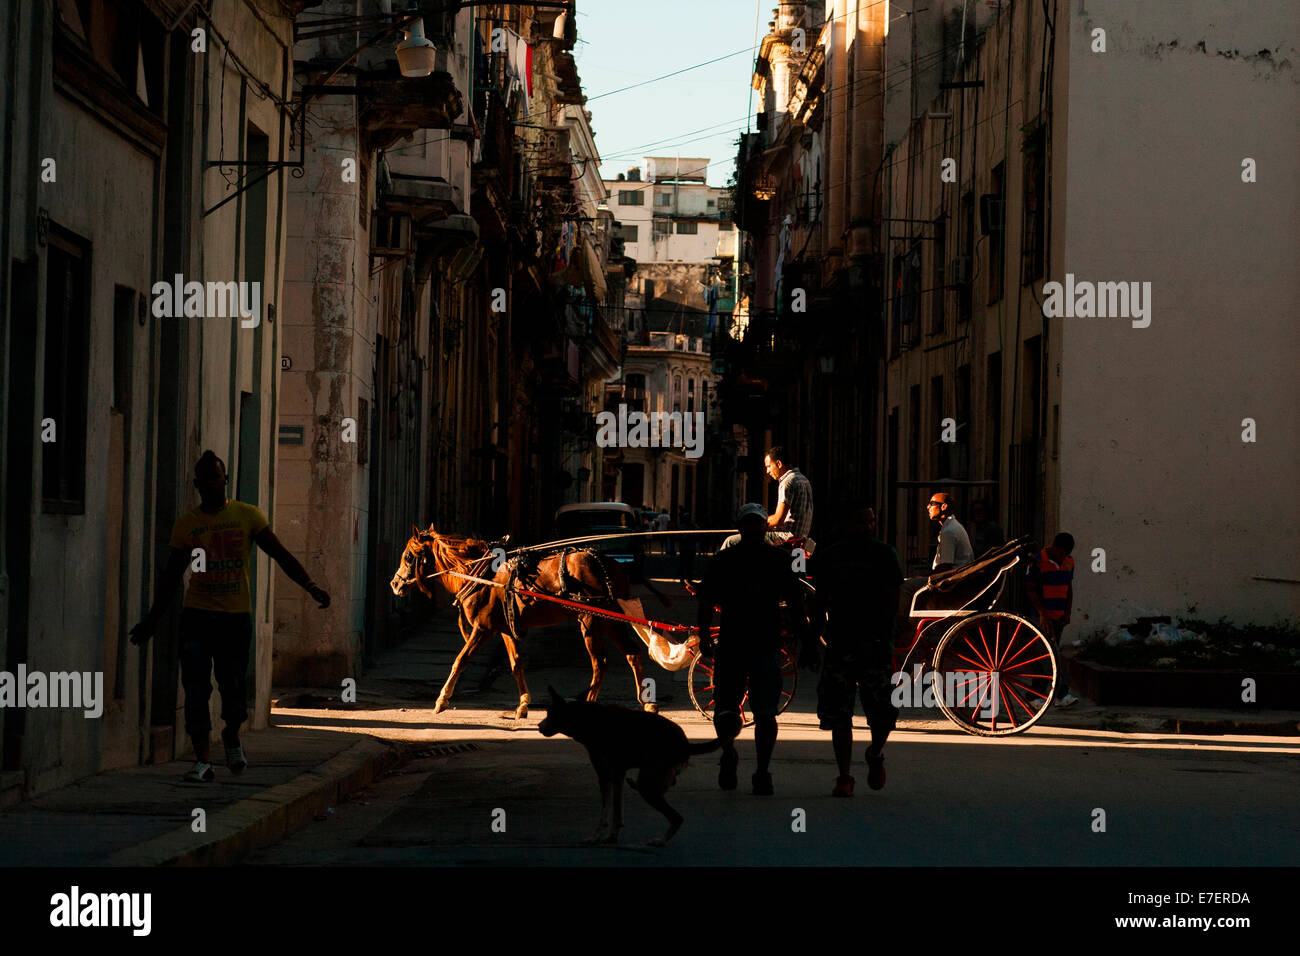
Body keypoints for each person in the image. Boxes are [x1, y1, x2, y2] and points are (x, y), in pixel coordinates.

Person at [130, 451, 330, 782]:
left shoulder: (247, 516)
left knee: (233, 688)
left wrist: (310, 586)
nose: (211, 484)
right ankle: (203, 761)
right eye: (205, 479)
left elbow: (281, 555)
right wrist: (152, 621)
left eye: (216, 477)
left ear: (226, 480)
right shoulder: (187, 526)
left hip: (234, 620)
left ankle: (232, 734)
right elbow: (170, 579)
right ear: (196, 485)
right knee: (195, 688)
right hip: (196, 618)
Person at [695, 503, 810, 796]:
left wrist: (706, 635)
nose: (756, 529)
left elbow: (705, 599)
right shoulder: (777, 559)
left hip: (739, 643)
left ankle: (736, 756)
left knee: (732, 708)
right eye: (754, 524)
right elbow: (796, 603)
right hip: (760, 644)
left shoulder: (725, 559)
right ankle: (759, 771)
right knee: (760, 712)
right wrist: (805, 640)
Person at [809, 505, 903, 796]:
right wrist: (812, 641)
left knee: (885, 712)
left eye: (871, 520)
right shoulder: (830, 556)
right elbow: (818, 603)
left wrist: (891, 641)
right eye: (861, 521)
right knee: (839, 715)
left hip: (875, 644)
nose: (867, 526)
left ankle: (875, 752)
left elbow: (894, 602)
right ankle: (844, 776)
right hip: (841, 643)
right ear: (847, 524)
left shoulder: (885, 554)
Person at [720, 447, 816, 554]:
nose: (767, 471)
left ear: (778, 464)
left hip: (785, 538)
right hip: (800, 539)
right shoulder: (803, 479)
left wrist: (756, 525)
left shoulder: (788, 481)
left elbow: (778, 519)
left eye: (769, 466)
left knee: (730, 541)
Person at [1026, 532, 1079, 708]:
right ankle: (1061, 693)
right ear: (1055, 547)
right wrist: (1042, 613)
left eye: (1067, 553)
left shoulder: (1069, 561)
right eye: (1062, 552)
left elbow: (1068, 587)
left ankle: (1034, 695)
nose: (1064, 556)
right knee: (1050, 655)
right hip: (1042, 617)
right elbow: (1031, 589)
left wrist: (1068, 612)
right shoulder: (1037, 561)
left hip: (1058, 616)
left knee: (1045, 656)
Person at [927, 492, 974, 572]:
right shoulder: (953, 525)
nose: (928, 507)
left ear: (944, 506)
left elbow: (945, 566)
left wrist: (928, 577)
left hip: (954, 581)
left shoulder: (949, 531)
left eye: (932, 503)